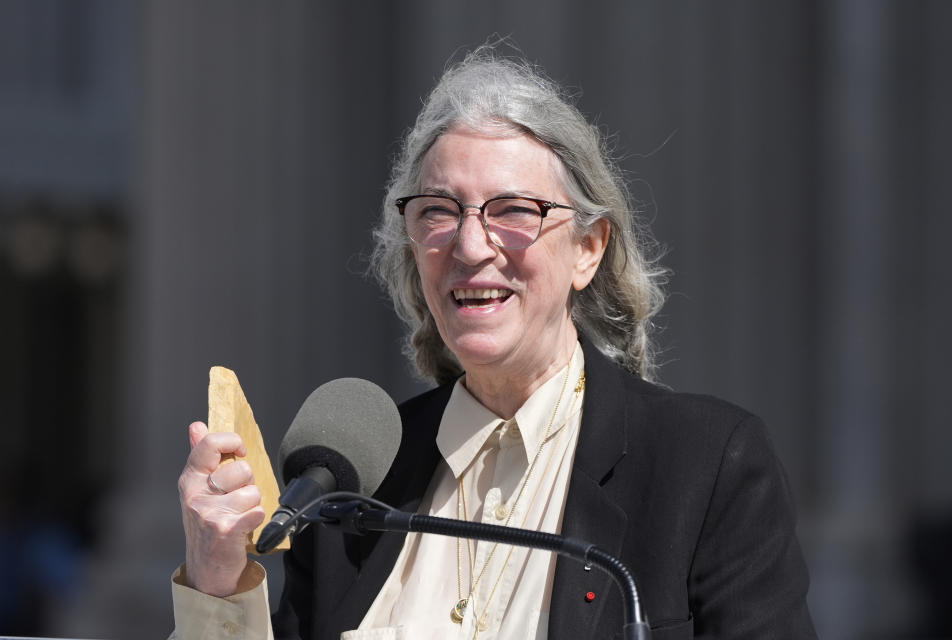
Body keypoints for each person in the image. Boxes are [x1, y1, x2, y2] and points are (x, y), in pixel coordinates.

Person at [172, 48, 816, 640]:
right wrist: (217, 581)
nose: (472, 246)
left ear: (588, 249)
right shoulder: (350, 485)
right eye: (438, 212)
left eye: (514, 210)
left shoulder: (702, 468)